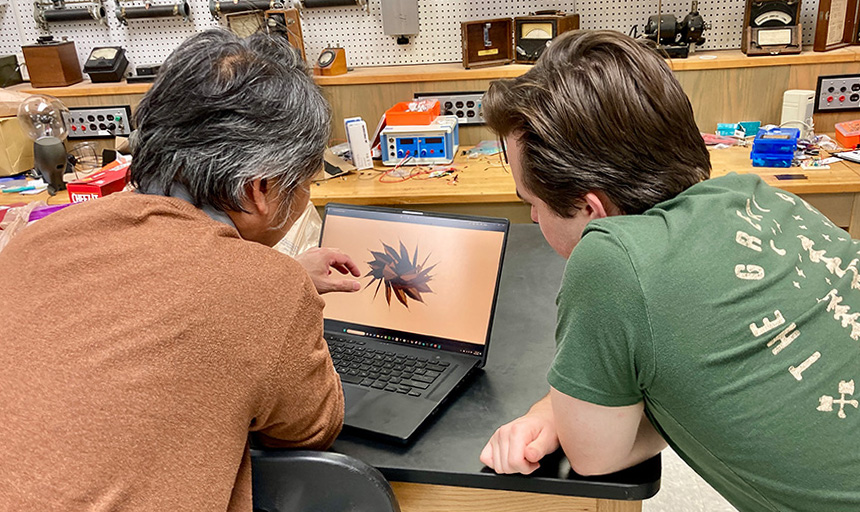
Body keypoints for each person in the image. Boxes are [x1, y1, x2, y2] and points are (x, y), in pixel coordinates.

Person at [478, 30, 860, 512]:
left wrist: (562, 410)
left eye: (531, 203)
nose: (532, 218)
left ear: (591, 210)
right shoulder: (760, 196)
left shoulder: (610, 262)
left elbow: (596, 456)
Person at [0, 30, 361, 510]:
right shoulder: (267, 290)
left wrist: (274, 273)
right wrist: (284, 287)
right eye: (305, 181)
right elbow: (311, 428)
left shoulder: (38, 239)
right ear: (261, 188)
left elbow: (150, 288)